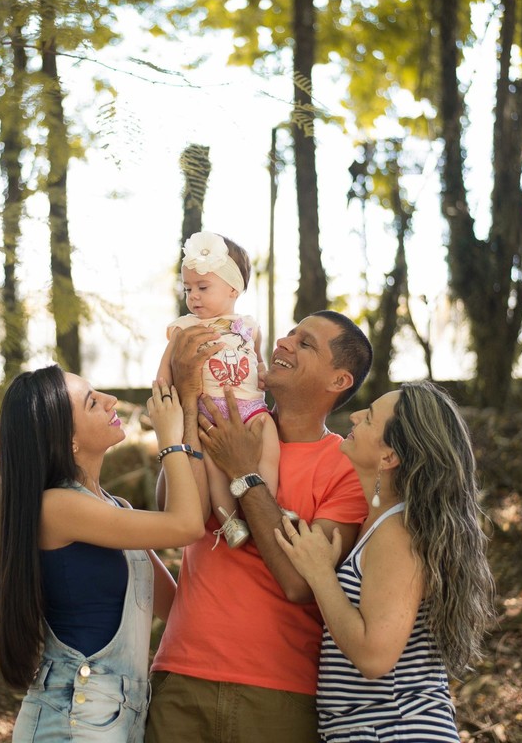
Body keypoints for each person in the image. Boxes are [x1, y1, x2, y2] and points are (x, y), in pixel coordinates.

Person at [146, 310, 374, 743]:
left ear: (339, 381)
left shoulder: (346, 468)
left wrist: (243, 472)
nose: (283, 343)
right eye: (289, 334)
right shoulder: (220, 421)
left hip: (279, 694)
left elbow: (301, 582)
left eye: (305, 344)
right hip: (181, 675)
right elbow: (173, 512)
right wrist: (190, 404)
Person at [0, 365, 206, 742]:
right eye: (92, 402)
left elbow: (174, 606)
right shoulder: (58, 507)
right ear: (68, 439)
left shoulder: (114, 508)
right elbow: (186, 525)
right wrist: (170, 439)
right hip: (74, 720)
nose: (110, 400)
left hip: (117, 719)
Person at [274, 382, 496, 742]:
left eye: (370, 418)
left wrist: (320, 575)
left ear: (389, 456)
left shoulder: (398, 531)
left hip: (394, 730)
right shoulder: (382, 523)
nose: (357, 415)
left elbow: (374, 658)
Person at [157, 230, 280, 549]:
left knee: (269, 448)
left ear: (233, 288)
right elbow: (165, 371)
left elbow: (257, 359)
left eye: (202, 287)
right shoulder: (185, 327)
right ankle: (229, 520)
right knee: (213, 467)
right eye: (187, 289)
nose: (193, 296)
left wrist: (263, 373)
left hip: (252, 408)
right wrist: (168, 391)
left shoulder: (249, 326)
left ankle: (270, 507)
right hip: (209, 409)